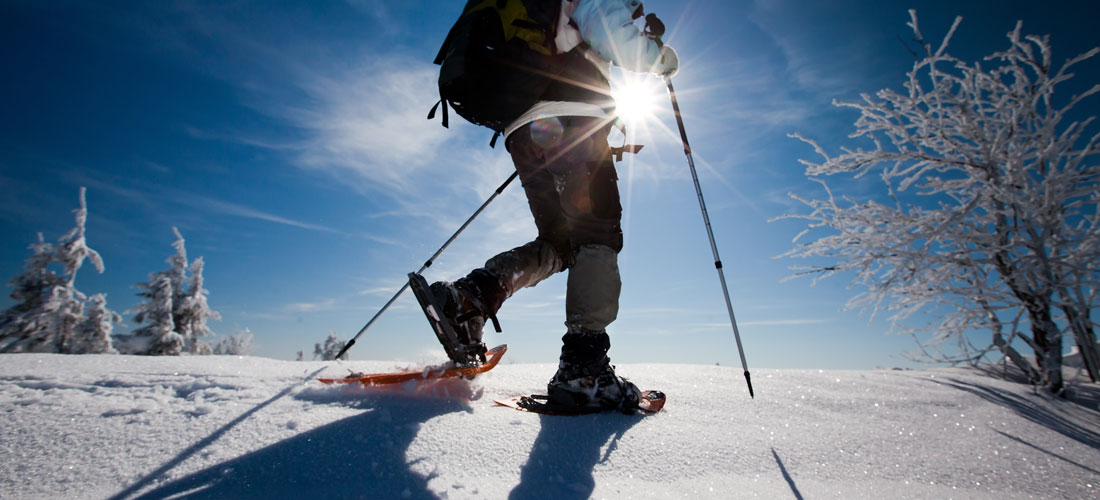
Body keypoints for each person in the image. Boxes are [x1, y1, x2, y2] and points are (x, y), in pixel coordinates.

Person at [425, 0, 678, 413]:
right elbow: (613, 34)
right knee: (597, 235)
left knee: (560, 242)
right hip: (570, 121)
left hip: (523, 130)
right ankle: (585, 368)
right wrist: (660, 58)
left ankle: (470, 298)